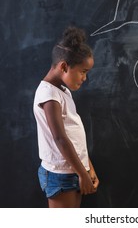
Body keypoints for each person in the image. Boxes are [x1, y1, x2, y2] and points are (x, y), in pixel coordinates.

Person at [33, 26, 99, 208]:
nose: (85, 78)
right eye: (83, 71)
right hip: (61, 174)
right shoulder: (49, 95)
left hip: (73, 171)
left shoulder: (62, 92)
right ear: (64, 66)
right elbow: (60, 138)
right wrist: (82, 174)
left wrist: (88, 167)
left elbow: (72, 136)